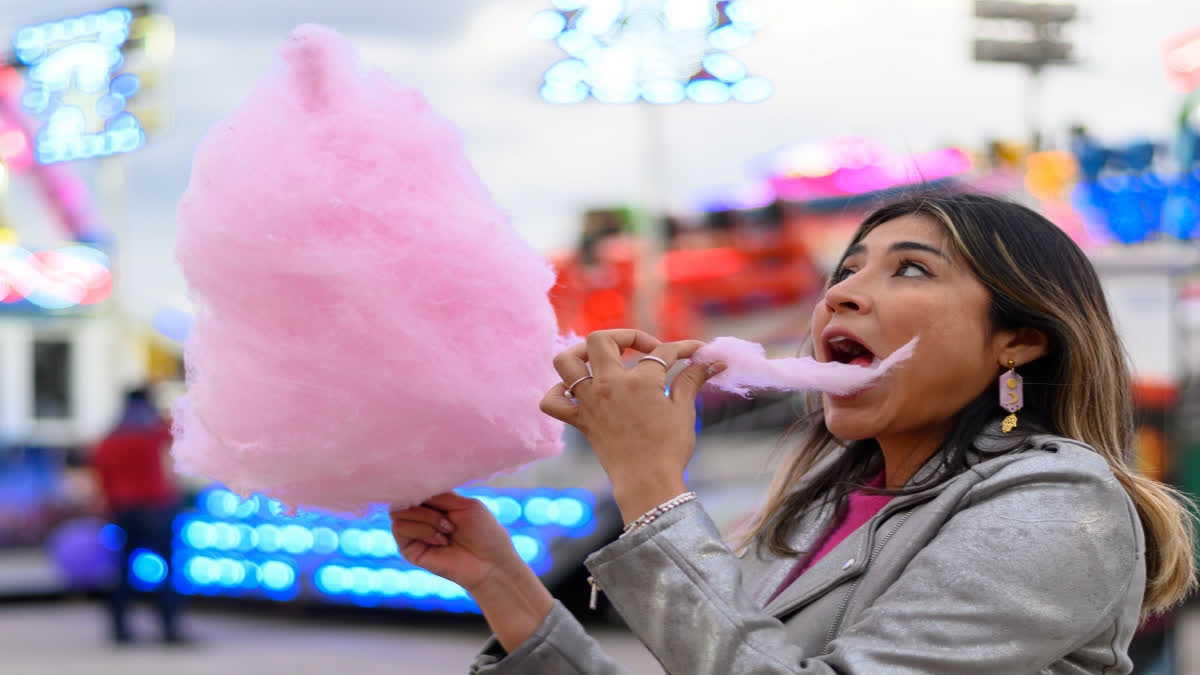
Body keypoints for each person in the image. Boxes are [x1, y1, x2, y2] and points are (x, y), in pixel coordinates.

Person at [390, 192, 1197, 674]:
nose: (841, 295)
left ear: (1019, 339)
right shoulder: (817, 508)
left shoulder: (1059, 504)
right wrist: (502, 580)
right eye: (846, 269)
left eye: (910, 268)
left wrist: (648, 481)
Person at [90, 386, 185, 645]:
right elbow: (181, 428)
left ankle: (120, 629)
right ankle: (169, 629)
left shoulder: (108, 441)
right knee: (167, 570)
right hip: (156, 508)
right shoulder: (153, 433)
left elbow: (102, 481)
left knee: (123, 571)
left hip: (124, 511)